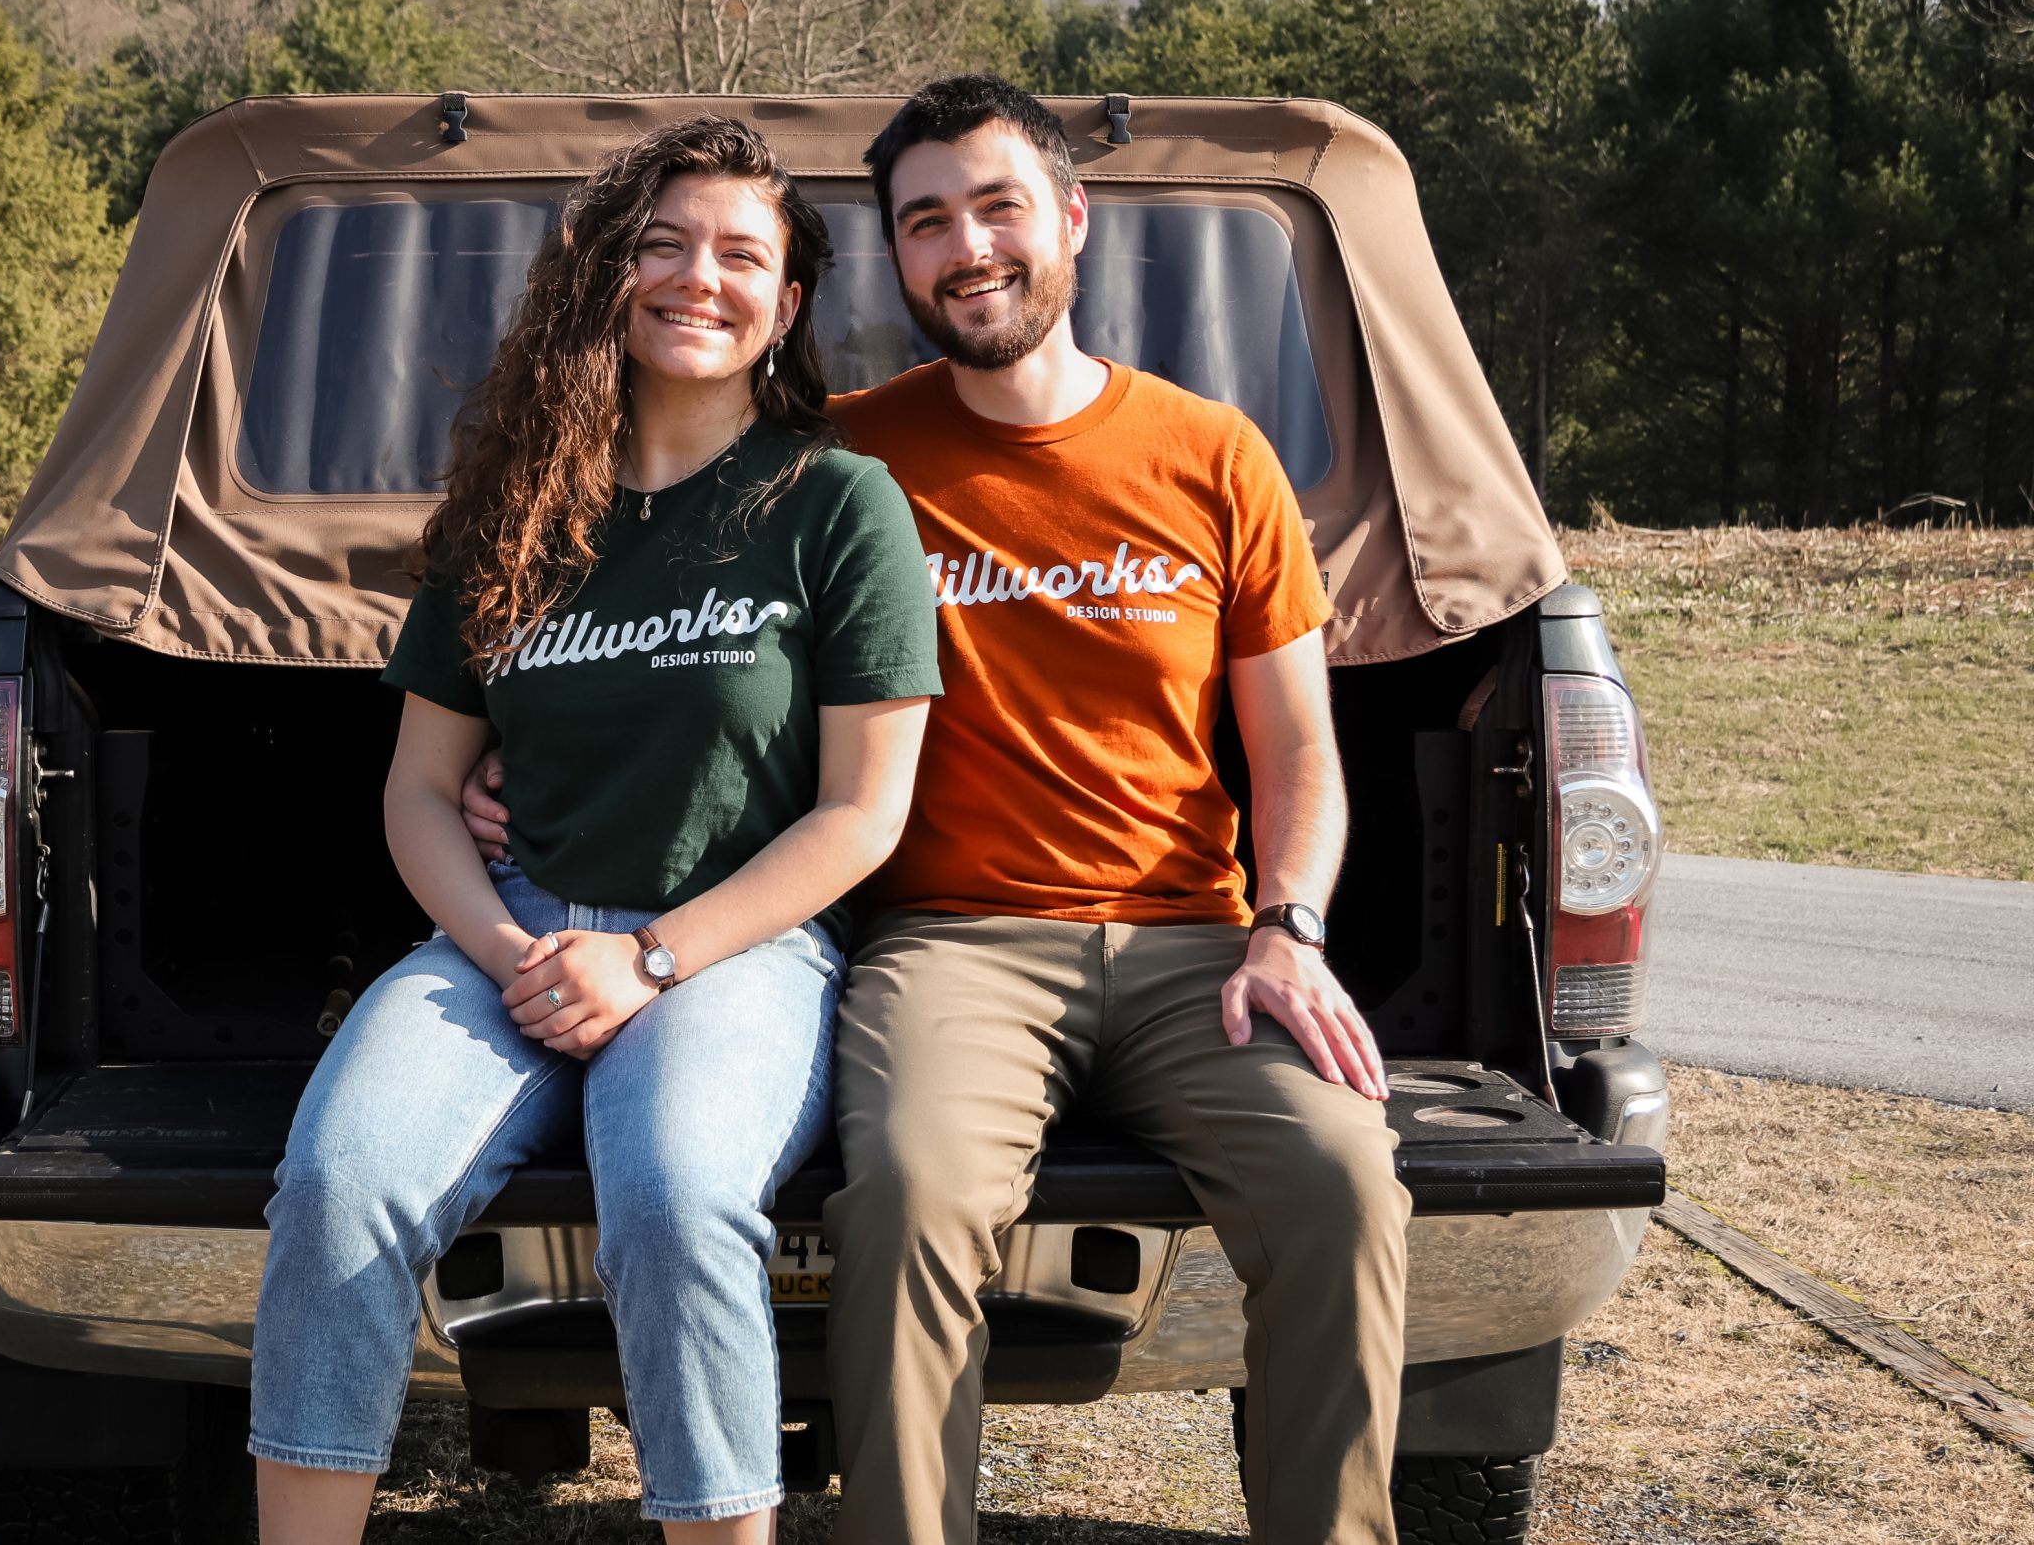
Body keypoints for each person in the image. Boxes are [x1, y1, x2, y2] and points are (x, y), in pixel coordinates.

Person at [468, 76, 1409, 1545]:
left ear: (1072, 220)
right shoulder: (837, 462)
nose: (966, 248)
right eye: (925, 223)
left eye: (996, 208)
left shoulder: (1217, 457)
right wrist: (517, 736)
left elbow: (1297, 749)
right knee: (905, 1197)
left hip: (1197, 951)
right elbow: (653, 598)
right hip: (952, 946)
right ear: (895, 259)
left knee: (1347, 1180)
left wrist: (1288, 926)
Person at [249, 115, 942, 1545]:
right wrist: (515, 948)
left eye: (742, 255)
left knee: (681, 1203)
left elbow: (865, 811)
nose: (701, 278)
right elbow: (419, 792)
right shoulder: (514, 506)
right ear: (608, 275)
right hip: (511, 933)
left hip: (737, 954)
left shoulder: (835, 503)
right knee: (334, 1183)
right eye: (664, 244)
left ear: (788, 305)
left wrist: (654, 962)